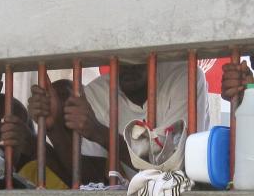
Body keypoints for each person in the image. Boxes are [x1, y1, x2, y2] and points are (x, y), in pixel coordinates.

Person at [27, 60, 209, 177]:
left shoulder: (185, 77)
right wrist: (54, 128)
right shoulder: (96, 93)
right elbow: (91, 179)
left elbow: (170, 168)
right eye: (122, 56)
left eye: (135, 55)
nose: (129, 64)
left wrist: (99, 132)